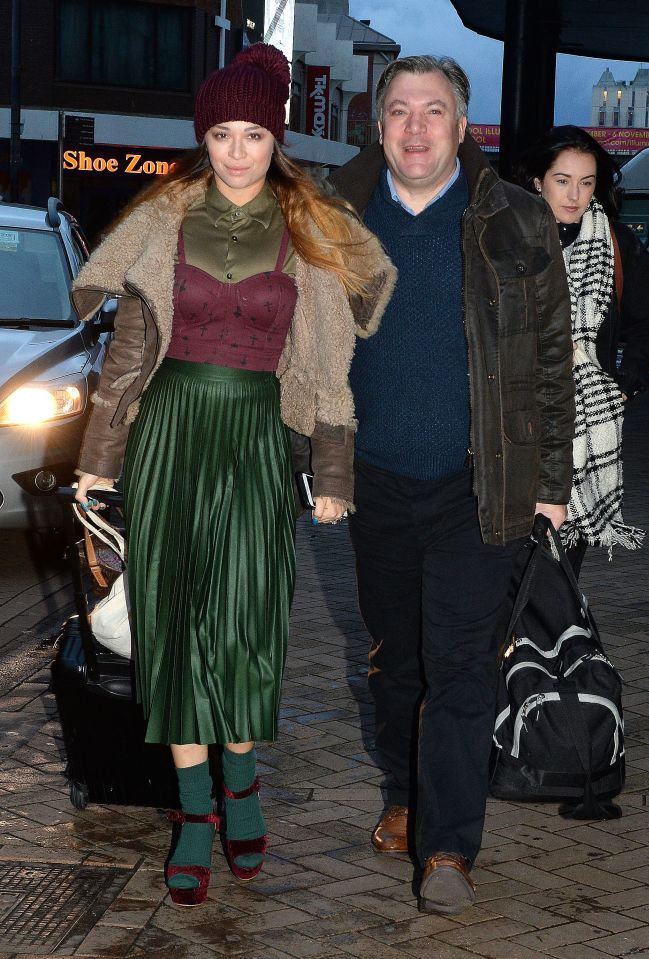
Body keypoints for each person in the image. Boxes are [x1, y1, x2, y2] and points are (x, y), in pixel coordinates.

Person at [72, 43, 396, 906]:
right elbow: (130, 357)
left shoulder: (309, 229)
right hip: (172, 434)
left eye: (254, 132)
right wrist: (98, 465)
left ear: (275, 137)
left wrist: (334, 473)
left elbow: (329, 367)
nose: (239, 149)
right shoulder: (164, 223)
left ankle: (241, 787)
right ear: (204, 137)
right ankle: (191, 815)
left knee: (247, 617)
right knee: (174, 620)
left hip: (254, 435)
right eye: (222, 132)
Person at [328, 55, 574, 915]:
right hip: (376, 483)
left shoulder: (517, 219)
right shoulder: (337, 218)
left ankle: (448, 848)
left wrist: (550, 478)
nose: (418, 127)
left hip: (482, 486)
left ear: (463, 127)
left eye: (435, 111)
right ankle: (405, 789)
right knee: (399, 662)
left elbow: (551, 358)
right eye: (401, 111)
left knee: (463, 668)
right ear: (380, 124)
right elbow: (306, 351)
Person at [517, 125, 649, 575]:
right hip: (513, 420)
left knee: (559, 560)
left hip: (583, 424)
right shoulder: (506, 240)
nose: (575, 195)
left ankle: (549, 640)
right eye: (562, 180)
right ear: (537, 181)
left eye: (587, 182)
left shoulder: (617, 245)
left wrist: (625, 384)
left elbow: (647, 323)